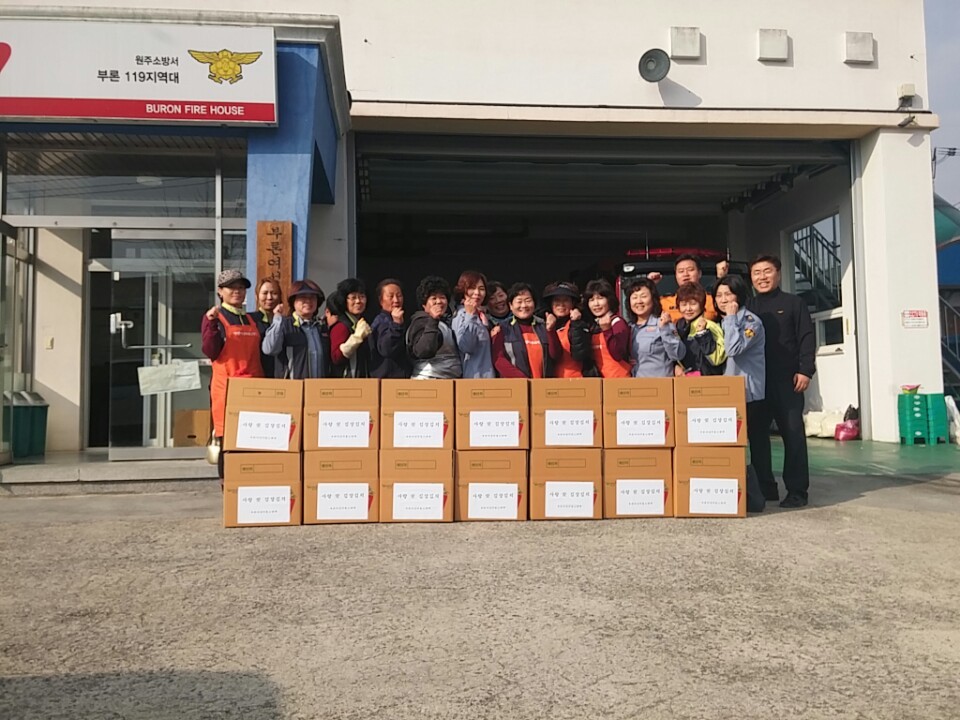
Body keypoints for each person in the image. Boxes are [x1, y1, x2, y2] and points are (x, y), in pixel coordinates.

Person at [746, 254, 816, 509]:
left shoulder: (794, 303)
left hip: (787, 380)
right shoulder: (748, 306)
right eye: (756, 273)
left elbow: (806, 337)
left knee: (793, 434)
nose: (762, 277)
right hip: (756, 383)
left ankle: (797, 491)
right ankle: (766, 488)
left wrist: (806, 370)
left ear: (778, 274)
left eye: (767, 271)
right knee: (757, 436)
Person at [201, 269, 264, 478]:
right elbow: (210, 351)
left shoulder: (251, 319)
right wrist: (211, 325)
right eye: (231, 287)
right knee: (228, 442)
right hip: (227, 390)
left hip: (254, 388)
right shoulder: (215, 317)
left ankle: (248, 483)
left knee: (253, 439)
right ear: (220, 291)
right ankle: (228, 487)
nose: (237, 291)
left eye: (241, 288)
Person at [262, 279, 330, 380]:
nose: (308, 301)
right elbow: (269, 349)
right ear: (293, 301)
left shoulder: (321, 327)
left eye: (312, 297)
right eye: (303, 297)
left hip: (318, 387)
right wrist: (277, 319)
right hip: (292, 387)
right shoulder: (284, 325)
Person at [492, 282, 561, 378]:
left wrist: (551, 330)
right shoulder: (502, 329)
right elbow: (498, 360)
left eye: (528, 301)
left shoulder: (544, 326)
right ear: (511, 306)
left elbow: (556, 356)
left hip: (543, 385)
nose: (524, 305)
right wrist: (523, 381)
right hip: (517, 385)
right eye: (519, 301)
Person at [623, 277, 685, 377]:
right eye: (634, 297)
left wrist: (665, 330)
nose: (639, 301)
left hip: (660, 384)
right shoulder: (628, 328)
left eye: (643, 296)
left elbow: (678, 354)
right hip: (636, 384)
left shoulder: (663, 323)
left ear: (653, 299)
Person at [407, 275, 463, 379]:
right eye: (433, 298)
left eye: (442, 297)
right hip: (428, 381)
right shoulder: (420, 322)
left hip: (449, 381)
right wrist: (433, 320)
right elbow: (424, 351)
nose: (439, 301)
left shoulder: (446, 323)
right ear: (424, 304)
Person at [542, 281, 596, 378]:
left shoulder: (581, 323)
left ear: (573, 303)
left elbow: (580, 355)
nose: (561, 304)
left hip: (578, 380)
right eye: (557, 300)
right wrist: (550, 329)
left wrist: (576, 323)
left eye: (566, 300)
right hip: (553, 382)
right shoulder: (543, 325)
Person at [673, 282, 726, 376]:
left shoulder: (710, 326)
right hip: (685, 380)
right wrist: (675, 366)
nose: (688, 309)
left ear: (702, 305)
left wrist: (703, 334)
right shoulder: (678, 328)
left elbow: (717, 359)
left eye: (693, 304)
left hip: (707, 381)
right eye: (684, 304)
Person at [583, 279, 631, 378]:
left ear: (609, 300)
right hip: (599, 383)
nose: (596, 304)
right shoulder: (592, 327)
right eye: (591, 300)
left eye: (600, 298)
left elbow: (617, 354)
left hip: (619, 381)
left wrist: (607, 330)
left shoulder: (617, 323)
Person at [452, 270, 495, 379]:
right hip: (474, 380)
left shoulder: (482, 316)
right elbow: (467, 346)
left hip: (489, 378)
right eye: (472, 288)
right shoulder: (461, 315)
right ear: (463, 290)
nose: (477, 293)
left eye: (481, 289)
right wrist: (470, 315)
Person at [649, 254, 719, 322]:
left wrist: (721, 277)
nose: (685, 274)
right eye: (681, 271)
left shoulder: (713, 300)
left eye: (690, 270)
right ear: (676, 275)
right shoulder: (664, 302)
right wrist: (649, 284)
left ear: (699, 273)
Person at [329, 278, 373, 378]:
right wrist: (357, 338)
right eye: (353, 298)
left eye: (362, 297)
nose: (358, 301)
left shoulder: (362, 323)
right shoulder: (341, 326)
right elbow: (336, 357)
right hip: (347, 382)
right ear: (344, 300)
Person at [368, 278, 410, 378]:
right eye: (390, 296)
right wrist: (396, 325)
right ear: (381, 300)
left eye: (399, 295)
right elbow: (387, 350)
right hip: (387, 379)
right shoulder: (381, 321)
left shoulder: (402, 319)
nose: (396, 300)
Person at [252, 278, 282, 379]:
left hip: (281, 378)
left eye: (274, 293)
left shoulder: (285, 322)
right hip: (257, 376)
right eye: (265, 293)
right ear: (256, 296)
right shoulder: (251, 320)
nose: (269, 297)